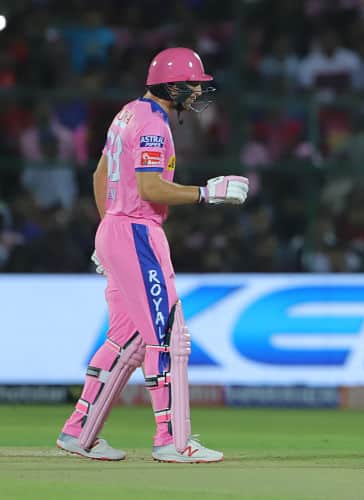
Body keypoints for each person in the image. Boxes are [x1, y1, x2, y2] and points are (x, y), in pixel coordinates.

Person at [56, 47, 250, 463]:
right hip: (139, 233)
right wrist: (206, 194)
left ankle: (79, 432)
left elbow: (100, 174)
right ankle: (173, 441)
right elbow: (150, 189)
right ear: (173, 84)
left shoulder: (127, 113)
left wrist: (106, 230)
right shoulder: (152, 125)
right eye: (194, 83)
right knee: (168, 336)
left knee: (127, 340)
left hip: (116, 229)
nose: (199, 90)